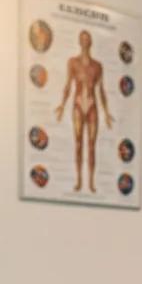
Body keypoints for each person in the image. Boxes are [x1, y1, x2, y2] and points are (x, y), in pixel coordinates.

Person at [54, 29, 114, 193]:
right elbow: (68, 85)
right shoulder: (73, 62)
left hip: (92, 104)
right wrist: (62, 104)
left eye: (88, 39)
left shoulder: (98, 66)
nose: (85, 42)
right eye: (83, 39)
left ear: (91, 42)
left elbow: (101, 90)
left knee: (92, 144)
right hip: (78, 104)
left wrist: (107, 112)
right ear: (79, 42)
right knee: (79, 143)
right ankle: (79, 180)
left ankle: (91, 183)